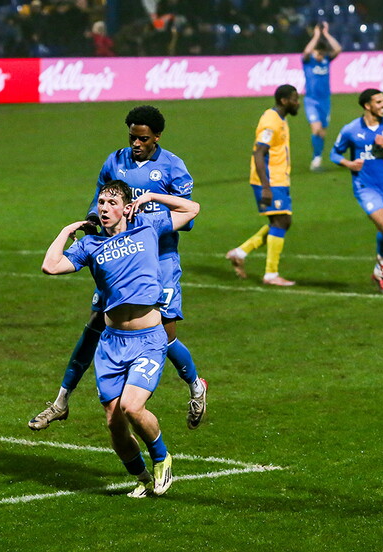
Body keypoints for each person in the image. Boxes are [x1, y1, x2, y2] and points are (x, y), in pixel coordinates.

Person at [30, 106, 208, 431]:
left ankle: (196, 386)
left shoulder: (173, 167)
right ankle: (60, 401)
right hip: (118, 258)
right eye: (132, 137)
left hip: (159, 261)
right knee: (94, 326)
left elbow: (188, 217)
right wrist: (94, 219)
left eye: (143, 139)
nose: (136, 143)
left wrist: (147, 212)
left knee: (165, 335)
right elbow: (98, 198)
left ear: (157, 137)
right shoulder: (114, 161)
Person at [42, 180, 200, 497]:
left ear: (127, 208)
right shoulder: (90, 246)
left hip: (148, 340)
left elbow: (191, 208)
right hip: (112, 344)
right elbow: (50, 266)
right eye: (101, 202)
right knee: (114, 422)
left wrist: (151, 196)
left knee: (131, 406)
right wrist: (67, 230)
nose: (104, 207)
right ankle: (141, 477)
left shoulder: (147, 227)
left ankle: (162, 458)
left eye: (112, 202)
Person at [330, 89, 383, 292]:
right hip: (365, 187)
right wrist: (349, 164)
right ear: (367, 106)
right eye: (379, 102)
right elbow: (334, 154)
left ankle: (379, 268)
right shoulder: (351, 129)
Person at [226, 84, 301, 286]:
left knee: (282, 222)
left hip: (279, 179)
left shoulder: (280, 118)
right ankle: (270, 274)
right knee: (281, 221)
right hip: (270, 180)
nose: (298, 103)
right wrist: (266, 186)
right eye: (295, 99)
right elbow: (259, 153)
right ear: (284, 101)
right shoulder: (271, 122)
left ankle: (240, 253)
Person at [301, 22, 341, 171]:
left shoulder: (326, 60)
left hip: (325, 101)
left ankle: (317, 159)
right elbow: (306, 51)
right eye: (318, 53)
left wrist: (326, 34)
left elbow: (338, 49)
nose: (320, 56)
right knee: (316, 129)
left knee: (322, 132)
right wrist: (316, 36)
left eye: (322, 54)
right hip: (311, 100)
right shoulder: (307, 61)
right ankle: (316, 160)